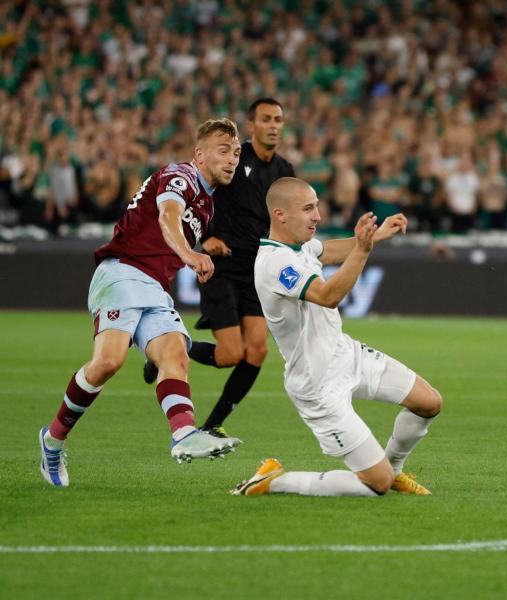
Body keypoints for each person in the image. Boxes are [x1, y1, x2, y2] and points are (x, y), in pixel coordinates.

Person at [38, 118, 243, 488]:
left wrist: (201, 248)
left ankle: (183, 434)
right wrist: (189, 255)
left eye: (237, 152)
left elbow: (179, 231)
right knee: (108, 362)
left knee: (175, 355)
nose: (232, 159)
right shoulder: (180, 176)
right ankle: (52, 441)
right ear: (200, 154)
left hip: (154, 286)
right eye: (224, 150)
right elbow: (168, 217)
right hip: (123, 272)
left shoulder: (210, 206)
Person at [232, 177, 441, 497]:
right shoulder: (275, 263)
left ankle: (394, 469)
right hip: (317, 383)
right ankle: (274, 481)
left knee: (429, 403)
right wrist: (362, 250)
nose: (317, 215)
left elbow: (327, 251)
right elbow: (328, 294)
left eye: (316, 206)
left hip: (346, 354)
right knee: (376, 485)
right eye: (307, 208)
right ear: (280, 215)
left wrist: (377, 234)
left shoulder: (301, 247)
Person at [143, 99, 295, 439]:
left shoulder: (284, 169)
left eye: (279, 120)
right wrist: (205, 240)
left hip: (258, 270)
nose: (273, 125)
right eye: (266, 119)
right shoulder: (230, 158)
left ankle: (212, 425)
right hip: (222, 266)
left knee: (257, 350)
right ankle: (169, 349)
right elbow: (202, 193)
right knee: (230, 354)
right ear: (252, 125)